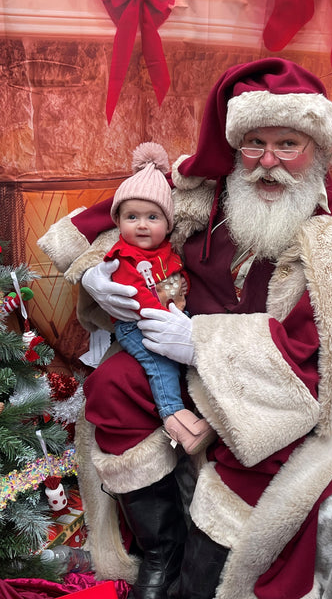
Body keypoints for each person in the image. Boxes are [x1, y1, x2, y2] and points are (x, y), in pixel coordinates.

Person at [38, 58, 332, 599]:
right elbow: (125, 217)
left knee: (254, 458)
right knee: (112, 385)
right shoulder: (208, 192)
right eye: (253, 143)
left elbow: (323, 360)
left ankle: (196, 584)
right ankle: (159, 557)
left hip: (273, 386)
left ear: (317, 148)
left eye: (287, 143)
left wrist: (201, 342)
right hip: (184, 363)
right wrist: (97, 275)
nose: (267, 161)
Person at [105, 141, 215, 455]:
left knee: (202, 347)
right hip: (137, 324)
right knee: (160, 363)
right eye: (132, 217)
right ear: (118, 222)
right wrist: (163, 311)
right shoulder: (121, 255)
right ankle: (176, 420)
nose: (142, 224)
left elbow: (178, 282)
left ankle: (213, 411)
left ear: (167, 225)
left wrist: (178, 302)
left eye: (152, 217)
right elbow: (135, 294)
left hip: (168, 316)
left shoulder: (167, 253)